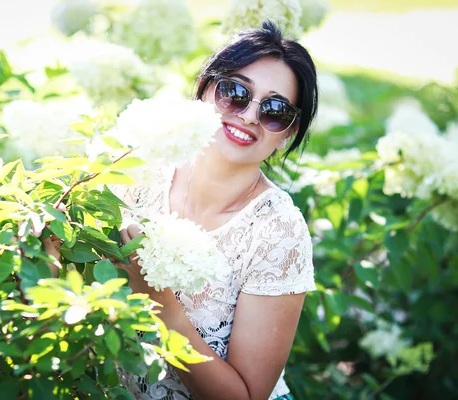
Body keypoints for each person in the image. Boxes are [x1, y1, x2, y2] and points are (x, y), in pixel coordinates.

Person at [45, 20, 317, 400]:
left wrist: (161, 304)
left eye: (275, 110)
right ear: (205, 90)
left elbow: (247, 396)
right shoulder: (135, 168)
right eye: (235, 92)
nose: (250, 116)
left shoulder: (278, 231)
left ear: (288, 132)